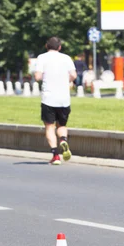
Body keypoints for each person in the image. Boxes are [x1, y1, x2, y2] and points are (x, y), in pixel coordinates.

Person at [34, 37, 77, 166]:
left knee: (49, 127)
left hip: (48, 98)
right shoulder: (66, 58)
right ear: (59, 47)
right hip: (64, 98)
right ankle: (63, 140)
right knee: (62, 125)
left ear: (47, 46)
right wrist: (65, 80)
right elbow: (74, 75)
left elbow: (37, 77)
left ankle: (55, 155)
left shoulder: (42, 58)